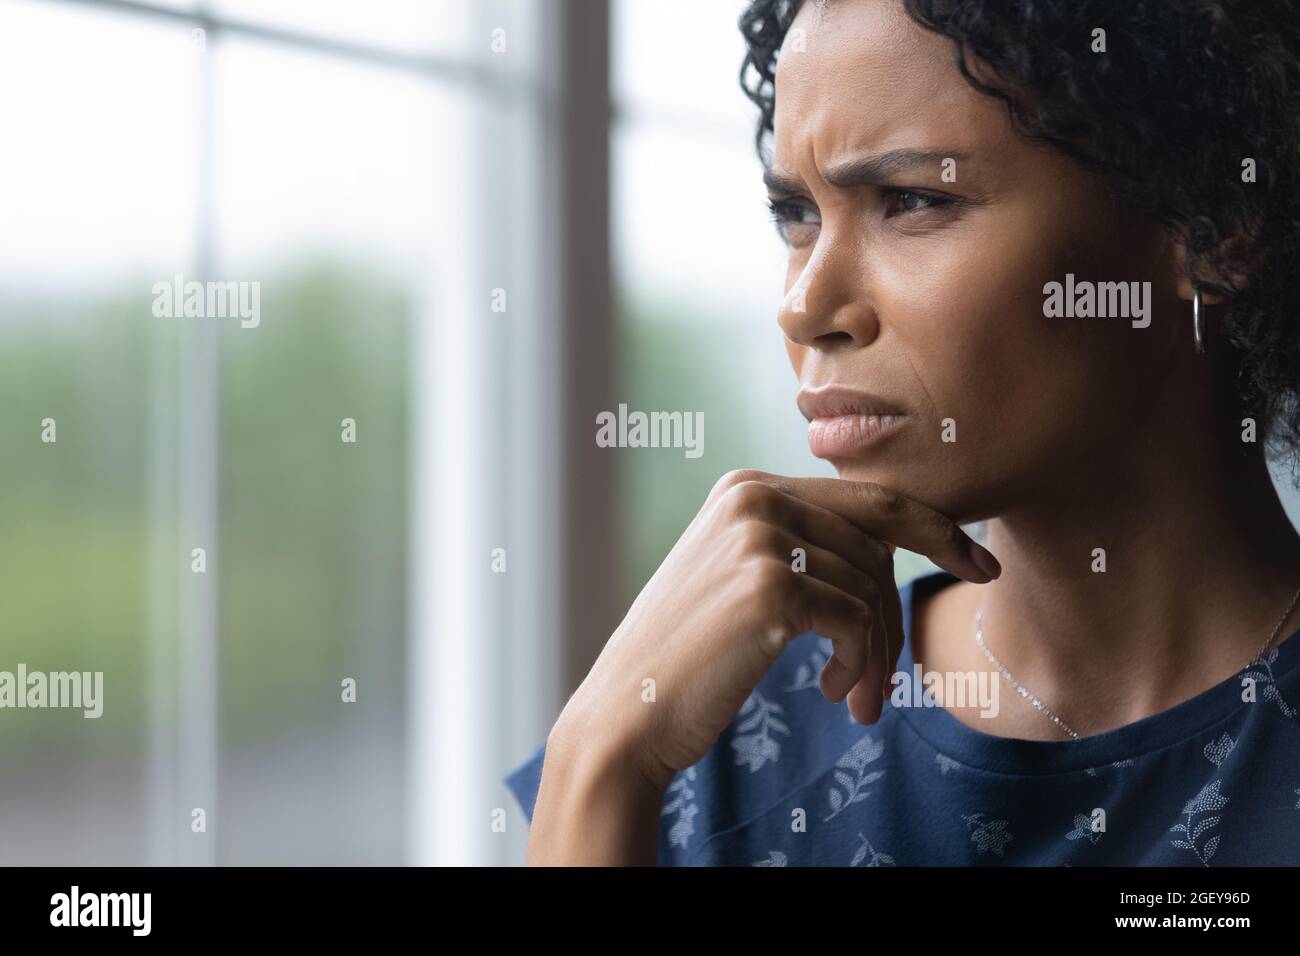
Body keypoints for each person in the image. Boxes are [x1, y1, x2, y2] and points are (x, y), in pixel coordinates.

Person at [505, 0, 1300, 865]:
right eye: (795, 215)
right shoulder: (711, 750)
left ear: (1215, 229)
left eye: (913, 200)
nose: (805, 306)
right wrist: (595, 759)